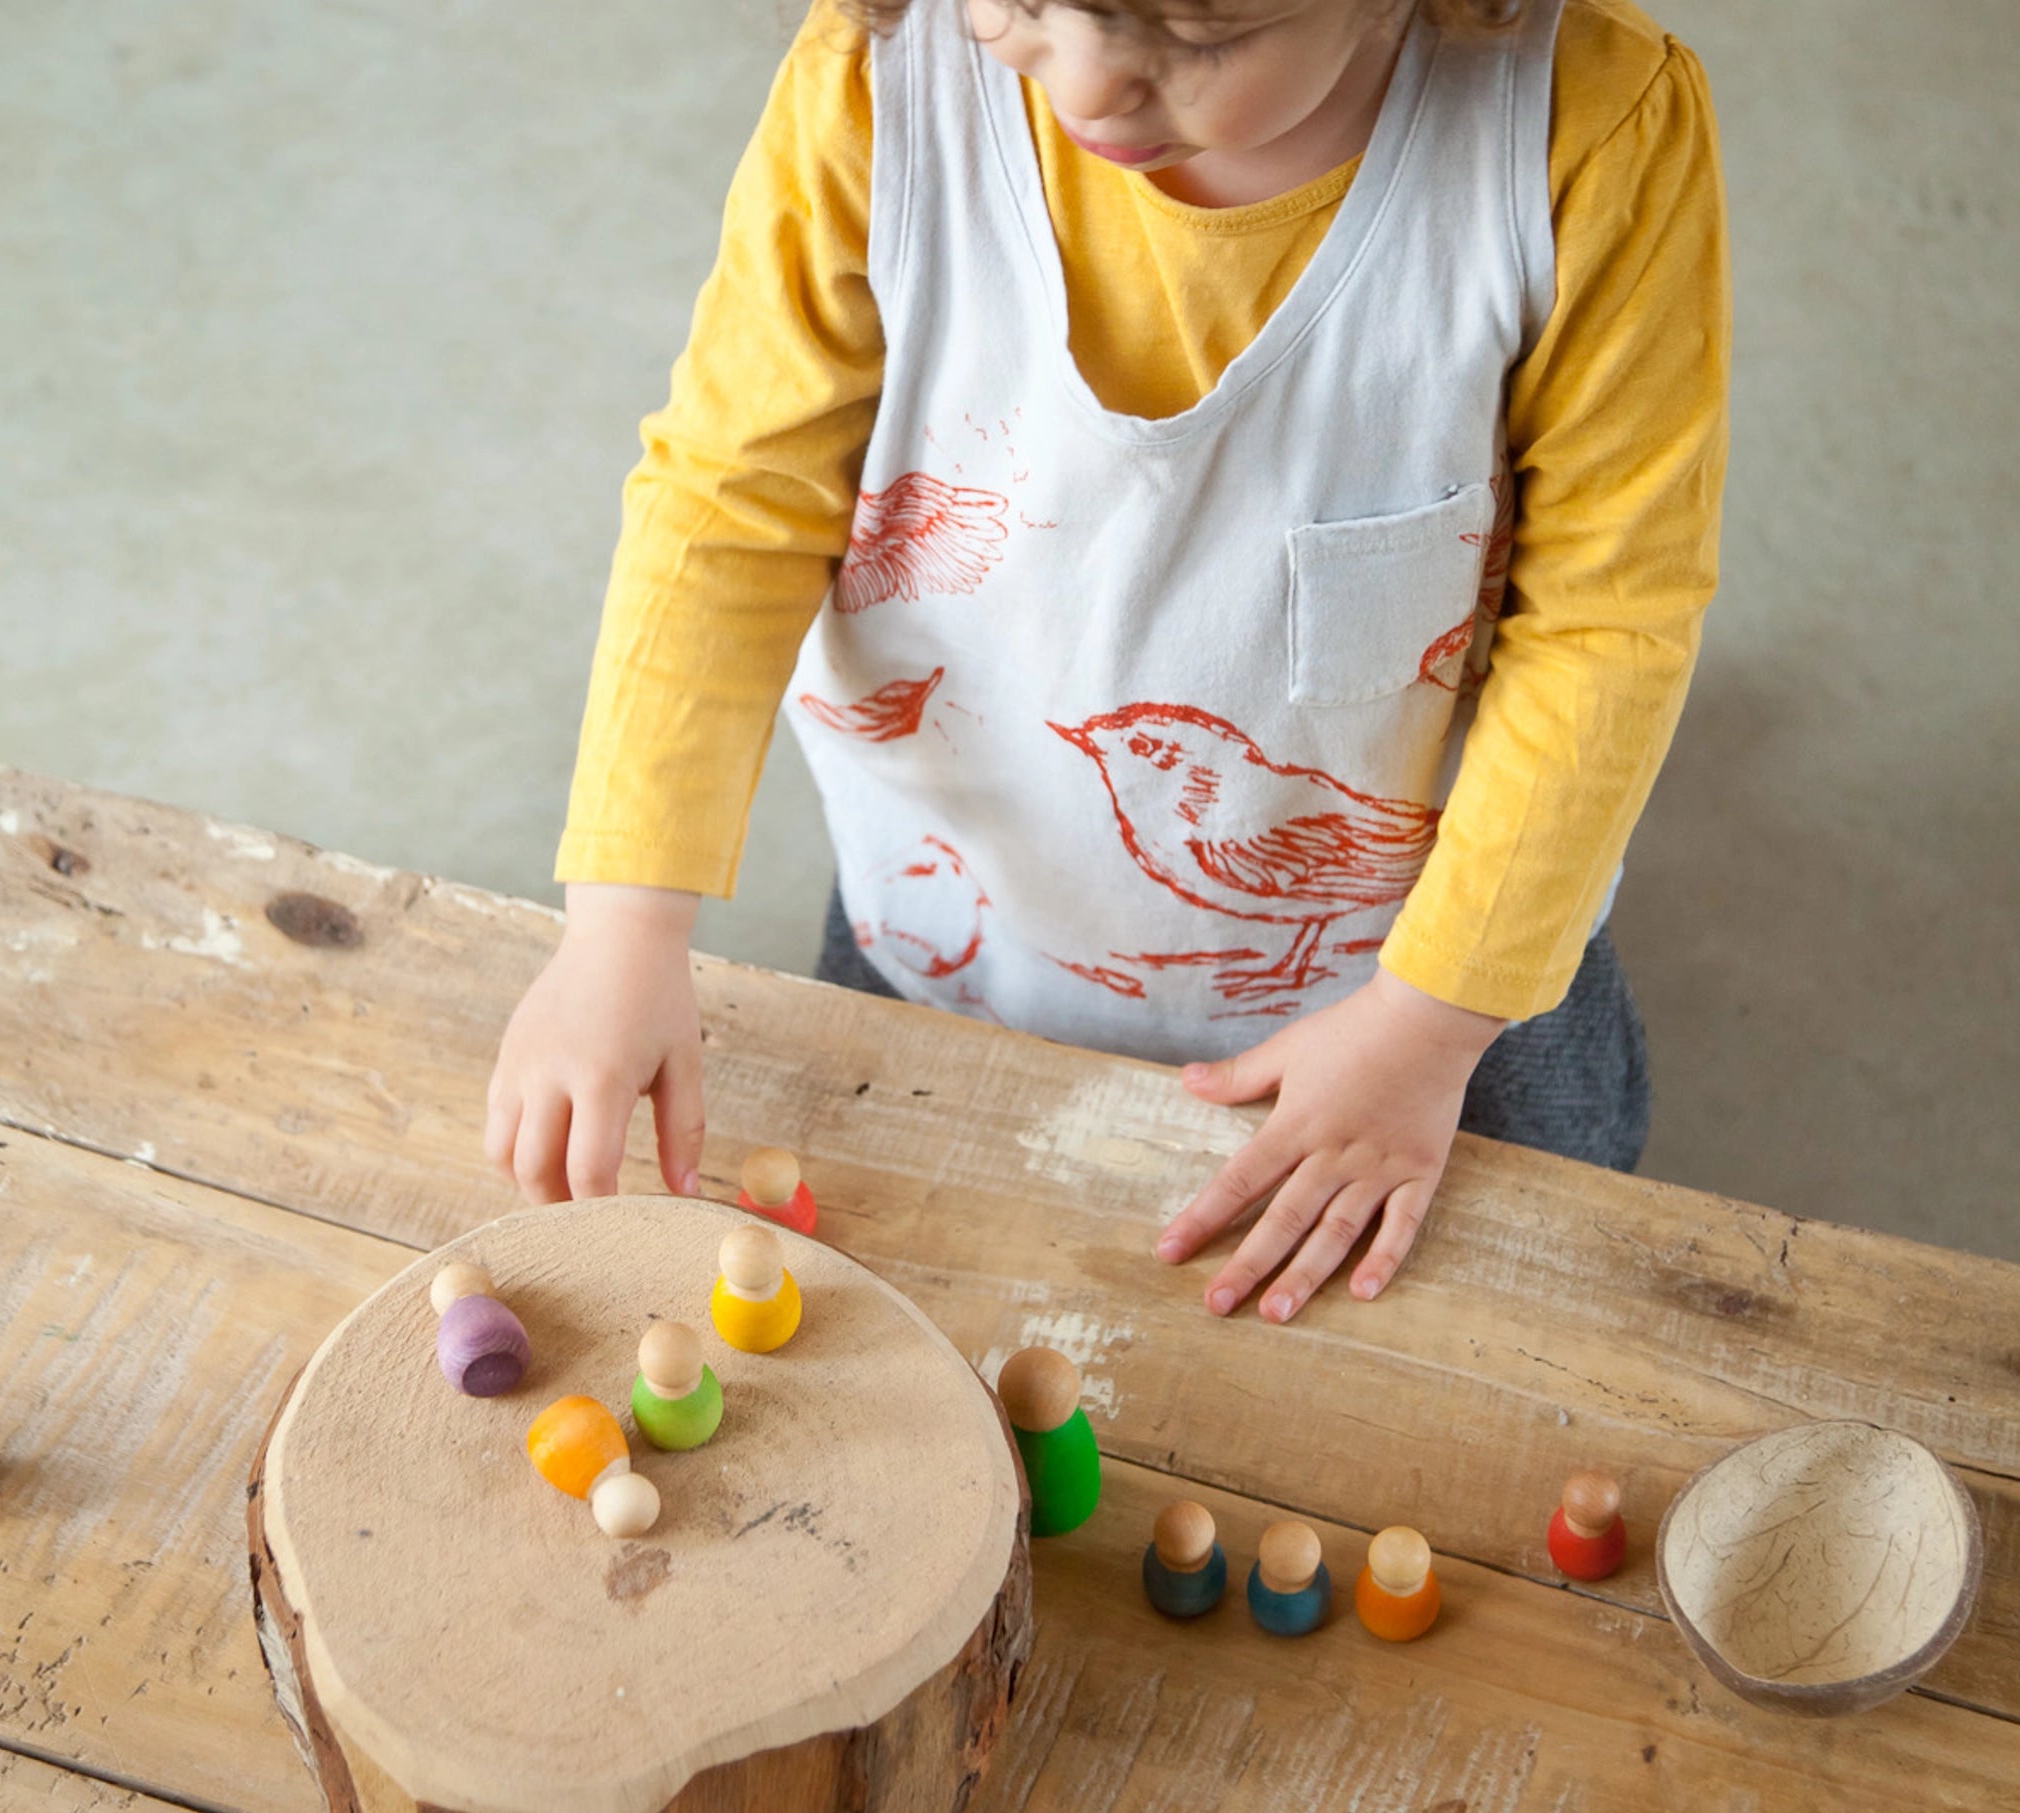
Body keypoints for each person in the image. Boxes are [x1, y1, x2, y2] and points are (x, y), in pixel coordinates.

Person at [487, 0, 1728, 1323]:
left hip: (1425, 998)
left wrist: (1432, 1022)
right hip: (960, 927)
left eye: (1197, 43)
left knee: (1516, 1330)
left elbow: (1608, 624)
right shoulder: (880, 83)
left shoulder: (1580, 134)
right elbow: (729, 503)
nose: (1085, 87)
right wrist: (625, 923)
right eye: (1019, 4)